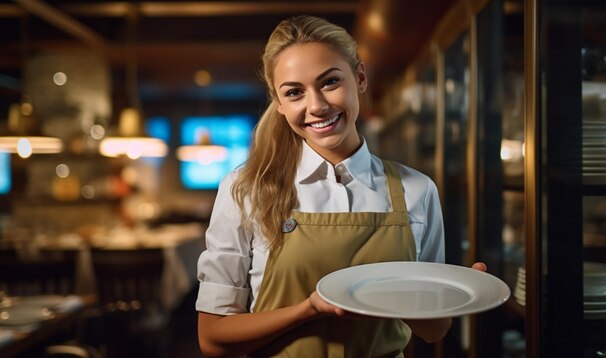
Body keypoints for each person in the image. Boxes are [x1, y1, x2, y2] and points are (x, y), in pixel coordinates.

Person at [196, 15, 486, 357]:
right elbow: (214, 338)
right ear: (278, 103)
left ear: (360, 77)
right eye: (294, 92)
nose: (317, 105)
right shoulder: (245, 190)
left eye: (330, 82)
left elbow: (433, 330)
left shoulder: (417, 190)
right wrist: (310, 309)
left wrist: (454, 293)